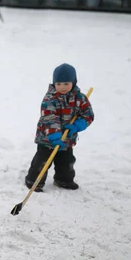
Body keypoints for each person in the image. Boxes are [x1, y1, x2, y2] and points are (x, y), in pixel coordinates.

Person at [24, 63, 94, 191]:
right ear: (54, 83)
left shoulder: (80, 99)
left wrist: (77, 125)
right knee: (42, 161)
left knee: (66, 162)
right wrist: (55, 135)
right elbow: (49, 118)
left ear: (73, 82)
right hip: (47, 138)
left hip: (67, 138)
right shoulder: (50, 99)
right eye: (59, 84)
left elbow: (88, 115)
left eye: (66, 83)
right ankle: (33, 180)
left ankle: (63, 180)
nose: (62, 87)